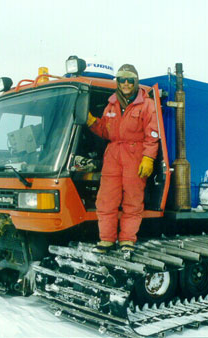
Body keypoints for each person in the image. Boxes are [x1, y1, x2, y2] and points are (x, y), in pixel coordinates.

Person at [87, 64, 159, 253]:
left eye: (130, 80)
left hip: (135, 154)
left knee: (132, 200)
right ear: (117, 82)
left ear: (136, 82)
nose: (126, 83)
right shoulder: (111, 104)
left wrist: (148, 158)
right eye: (122, 79)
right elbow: (105, 130)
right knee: (106, 200)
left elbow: (152, 136)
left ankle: (127, 239)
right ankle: (106, 240)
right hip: (112, 155)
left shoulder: (147, 105)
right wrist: (92, 123)